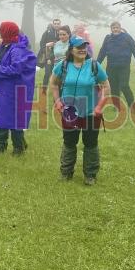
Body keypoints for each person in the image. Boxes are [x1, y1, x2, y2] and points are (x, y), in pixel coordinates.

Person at [50, 36, 110, 185]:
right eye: (79, 47)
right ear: (71, 49)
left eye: (84, 47)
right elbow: (54, 84)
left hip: (91, 112)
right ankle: (66, 172)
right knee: (69, 142)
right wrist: (57, 101)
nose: (83, 49)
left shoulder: (94, 66)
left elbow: (106, 87)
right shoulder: (63, 66)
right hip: (69, 112)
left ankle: (90, 175)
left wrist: (99, 106)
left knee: (90, 143)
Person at [0, 21, 36, 155]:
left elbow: (16, 69)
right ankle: (1, 147)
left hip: (13, 90)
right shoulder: (6, 45)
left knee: (14, 119)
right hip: (5, 88)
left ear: (7, 32)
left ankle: (18, 148)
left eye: (1, 29)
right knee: (1, 117)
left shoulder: (17, 49)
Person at [96, 21, 135, 111]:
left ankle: (133, 107)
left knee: (124, 85)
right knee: (113, 87)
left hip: (124, 66)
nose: (115, 29)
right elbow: (103, 51)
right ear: (111, 29)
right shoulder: (108, 38)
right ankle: (117, 107)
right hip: (111, 66)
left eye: (117, 27)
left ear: (120, 28)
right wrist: (97, 63)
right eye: (113, 28)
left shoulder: (127, 37)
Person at [38, 19, 61, 113]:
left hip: (59, 59)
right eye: (55, 23)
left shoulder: (62, 32)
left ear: (60, 24)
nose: (56, 25)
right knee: (47, 75)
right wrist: (47, 51)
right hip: (48, 59)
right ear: (52, 24)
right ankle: (43, 94)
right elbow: (41, 44)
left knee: (58, 79)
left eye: (58, 23)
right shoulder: (47, 33)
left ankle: (57, 103)